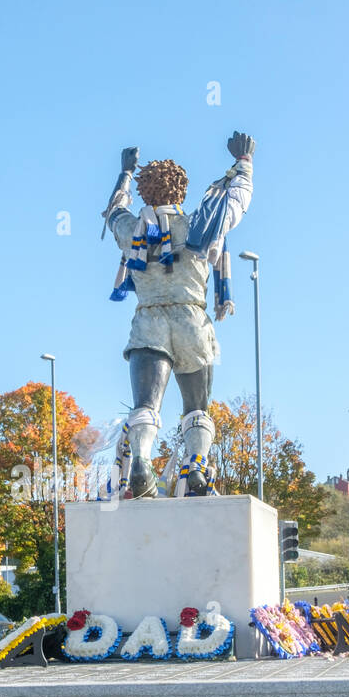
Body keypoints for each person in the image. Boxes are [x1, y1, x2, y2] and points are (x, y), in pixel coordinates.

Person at [101, 131, 255, 498]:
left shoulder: (131, 230)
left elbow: (113, 211)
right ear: (181, 193)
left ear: (144, 192)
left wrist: (124, 173)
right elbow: (235, 202)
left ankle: (140, 459)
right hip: (191, 321)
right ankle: (196, 469)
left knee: (144, 405)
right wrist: (244, 164)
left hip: (148, 320)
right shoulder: (198, 227)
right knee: (196, 407)